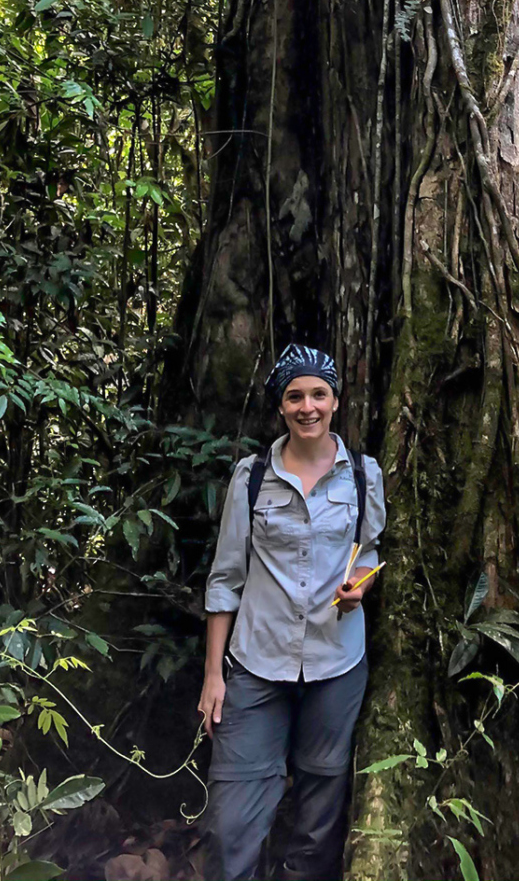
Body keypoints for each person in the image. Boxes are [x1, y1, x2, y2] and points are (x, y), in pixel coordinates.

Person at [198, 343, 386, 881]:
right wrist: (214, 675)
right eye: (295, 395)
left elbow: (369, 548)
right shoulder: (252, 477)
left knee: (319, 817)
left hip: (336, 664)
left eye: (318, 394)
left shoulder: (364, 476)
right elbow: (226, 578)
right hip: (257, 664)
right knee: (231, 819)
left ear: (334, 400)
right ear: (281, 406)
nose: (309, 406)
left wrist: (361, 586)